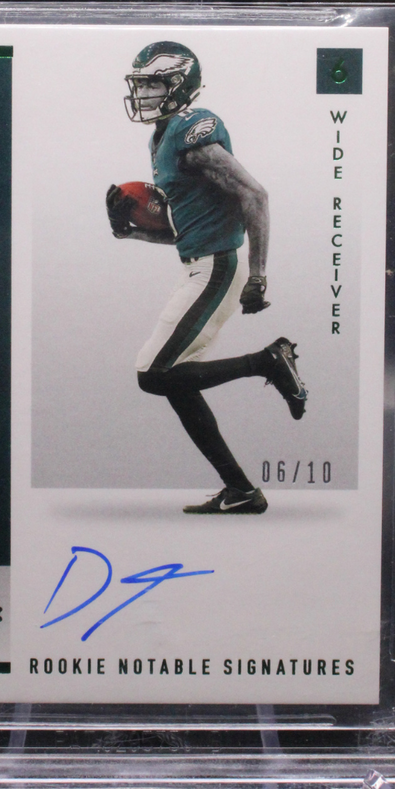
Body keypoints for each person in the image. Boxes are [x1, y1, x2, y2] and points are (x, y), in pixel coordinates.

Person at [106, 41, 307, 514]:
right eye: (140, 85)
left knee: (153, 374)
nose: (143, 93)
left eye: (153, 84)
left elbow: (254, 195)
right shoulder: (162, 137)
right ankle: (241, 490)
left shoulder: (192, 130)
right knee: (175, 381)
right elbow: (188, 231)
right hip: (200, 263)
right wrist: (133, 233)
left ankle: (268, 361)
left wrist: (259, 275)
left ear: (180, 85)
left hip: (217, 267)